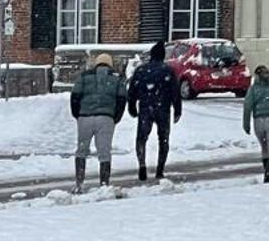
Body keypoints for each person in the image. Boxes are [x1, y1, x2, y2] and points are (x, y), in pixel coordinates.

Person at [125, 40, 183, 182]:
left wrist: (132, 106)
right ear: (163, 56)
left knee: (141, 138)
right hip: (163, 108)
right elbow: (175, 92)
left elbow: (132, 90)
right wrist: (177, 110)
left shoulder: (141, 70)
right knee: (163, 139)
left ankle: (142, 165)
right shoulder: (168, 71)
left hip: (145, 107)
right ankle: (159, 170)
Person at [68, 52, 126, 192]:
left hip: (85, 117)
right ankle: (104, 184)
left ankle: (79, 184)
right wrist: (115, 118)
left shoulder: (84, 76)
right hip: (106, 118)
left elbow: (75, 96)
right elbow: (122, 100)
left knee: (82, 150)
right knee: (104, 152)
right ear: (110, 64)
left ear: (96, 63)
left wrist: (78, 114)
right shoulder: (117, 78)